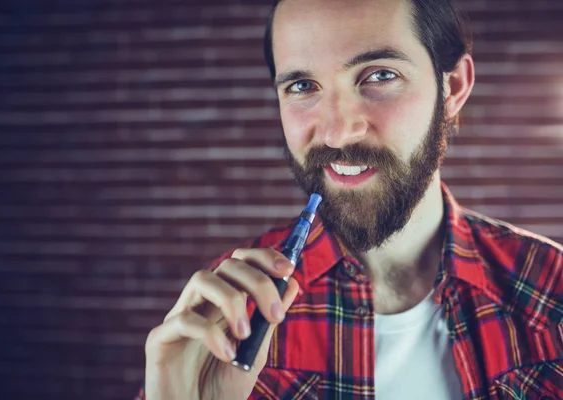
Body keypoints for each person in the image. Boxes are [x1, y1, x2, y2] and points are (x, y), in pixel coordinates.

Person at [136, 0, 563, 398]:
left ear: (452, 87)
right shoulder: (230, 306)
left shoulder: (553, 287)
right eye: (303, 85)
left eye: (379, 76)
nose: (337, 133)